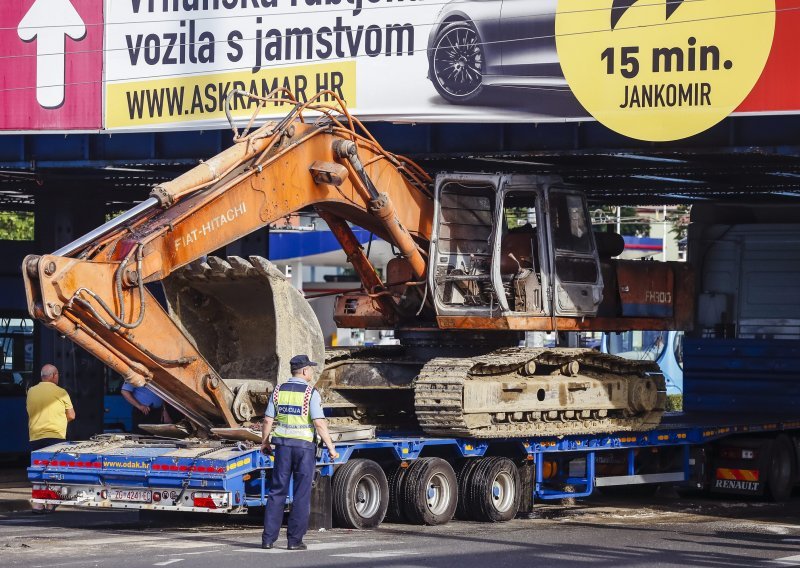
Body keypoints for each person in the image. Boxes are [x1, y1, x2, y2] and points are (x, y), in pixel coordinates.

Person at [261, 354, 339, 551]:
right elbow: (319, 422)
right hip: (304, 448)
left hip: (283, 448)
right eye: (311, 368)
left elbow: (268, 420)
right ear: (304, 371)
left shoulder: (278, 391)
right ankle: (294, 541)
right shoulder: (310, 393)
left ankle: (268, 539)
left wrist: (264, 442)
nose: (312, 371)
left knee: (276, 492)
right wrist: (331, 447)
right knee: (301, 494)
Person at [26, 364, 75, 513]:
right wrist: (60, 420)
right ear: (54, 376)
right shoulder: (61, 392)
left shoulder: (31, 391)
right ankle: (49, 503)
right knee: (53, 470)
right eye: (57, 374)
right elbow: (72, 415)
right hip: (55, 436)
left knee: (38, 470)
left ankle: (38, 504)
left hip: (36, 436)